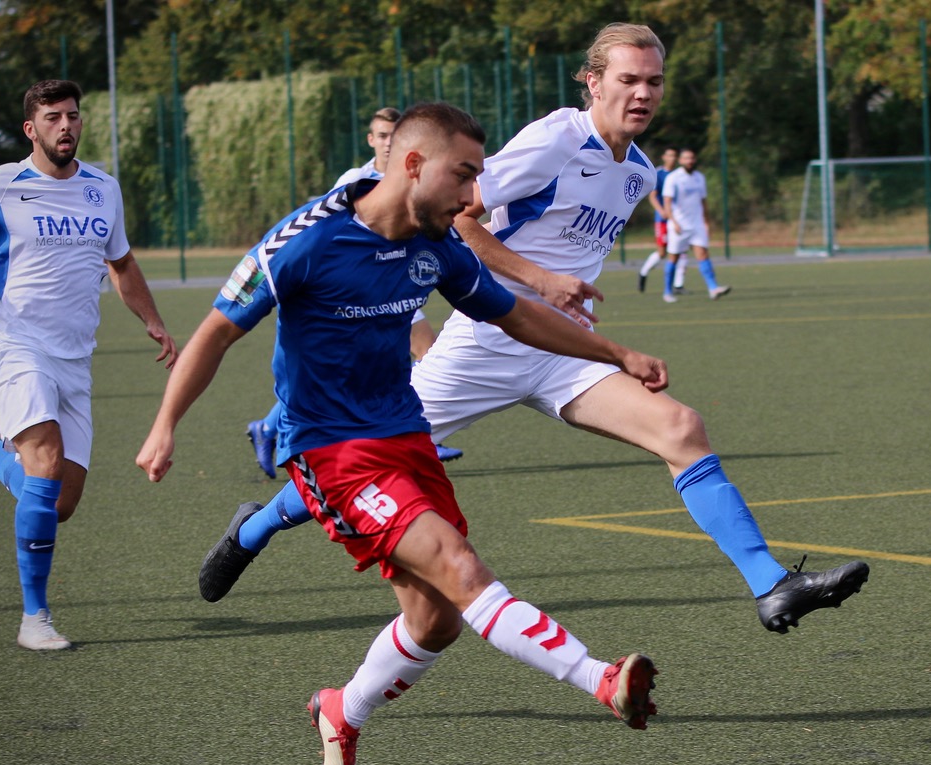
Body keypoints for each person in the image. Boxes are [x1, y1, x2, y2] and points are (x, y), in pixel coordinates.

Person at [200, 24, 868, 637]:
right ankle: (253, 527)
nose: (642, 92)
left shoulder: (637, 171)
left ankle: (771, 585)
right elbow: (460, 219)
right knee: (361, 468)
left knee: (681, 428)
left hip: (557, 353)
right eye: (628, 79)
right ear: (594, 81)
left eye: (654, 81)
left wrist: (578, 319)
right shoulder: (556, 138)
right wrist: (539, 279)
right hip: (483, 342)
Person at [135, 102, 662, 765]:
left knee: (437, 619)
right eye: (465, 174)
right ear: (413, 165)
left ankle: (340, 711)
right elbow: (214, 334)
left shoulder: (437, 242)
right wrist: (165, 423)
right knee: (461, 566)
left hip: (405, 436)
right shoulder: (304, 242)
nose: (476, 197)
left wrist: (616, 352)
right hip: (330, 452)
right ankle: (602, 678)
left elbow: (514, 312)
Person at [0, 79, 178, 650]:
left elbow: (122, 264)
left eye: (74, 116)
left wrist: (152, 320)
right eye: (53, 117)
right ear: (32, 129)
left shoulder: (103, 189)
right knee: (46, 460)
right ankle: (35, 619)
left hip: (76, 360)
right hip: (17, 345)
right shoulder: (4, 184)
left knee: (58, 504)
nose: (66, 126)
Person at [244, 106, 462, 476]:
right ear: (371, 140)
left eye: (394, 134)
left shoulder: (417, 176)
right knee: (418, 350)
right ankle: (423, 433)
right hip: (362, 286)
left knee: (395, 358)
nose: (388, 142)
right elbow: (329, 230)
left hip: (399, 279)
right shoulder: (355, 179)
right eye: (381, 135)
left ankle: (268, 428)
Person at [661, 149, 729, 303]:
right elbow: (667, 202)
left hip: (697, 224)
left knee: (703, 254)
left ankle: (713, 288)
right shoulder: (673, 178)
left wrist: (706, 222)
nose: (689, 161)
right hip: (679, 225)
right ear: (680, 160)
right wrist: (673, 221)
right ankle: (667, 291)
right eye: (686, 158)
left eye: (692, 158)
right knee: (674, 257)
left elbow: (703, 202)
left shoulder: (699, 177)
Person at [636, 146, 685, 293]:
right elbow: (652, 196)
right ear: (664, 157)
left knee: (680, 251)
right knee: (663, 252)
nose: (673, 159)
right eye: (670, 155)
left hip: (677, 218)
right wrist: (662, 211)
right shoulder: (659, 173)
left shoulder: (679, 175)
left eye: (675, 156)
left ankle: (678, 285)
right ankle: (643, 272)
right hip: (663, 219)